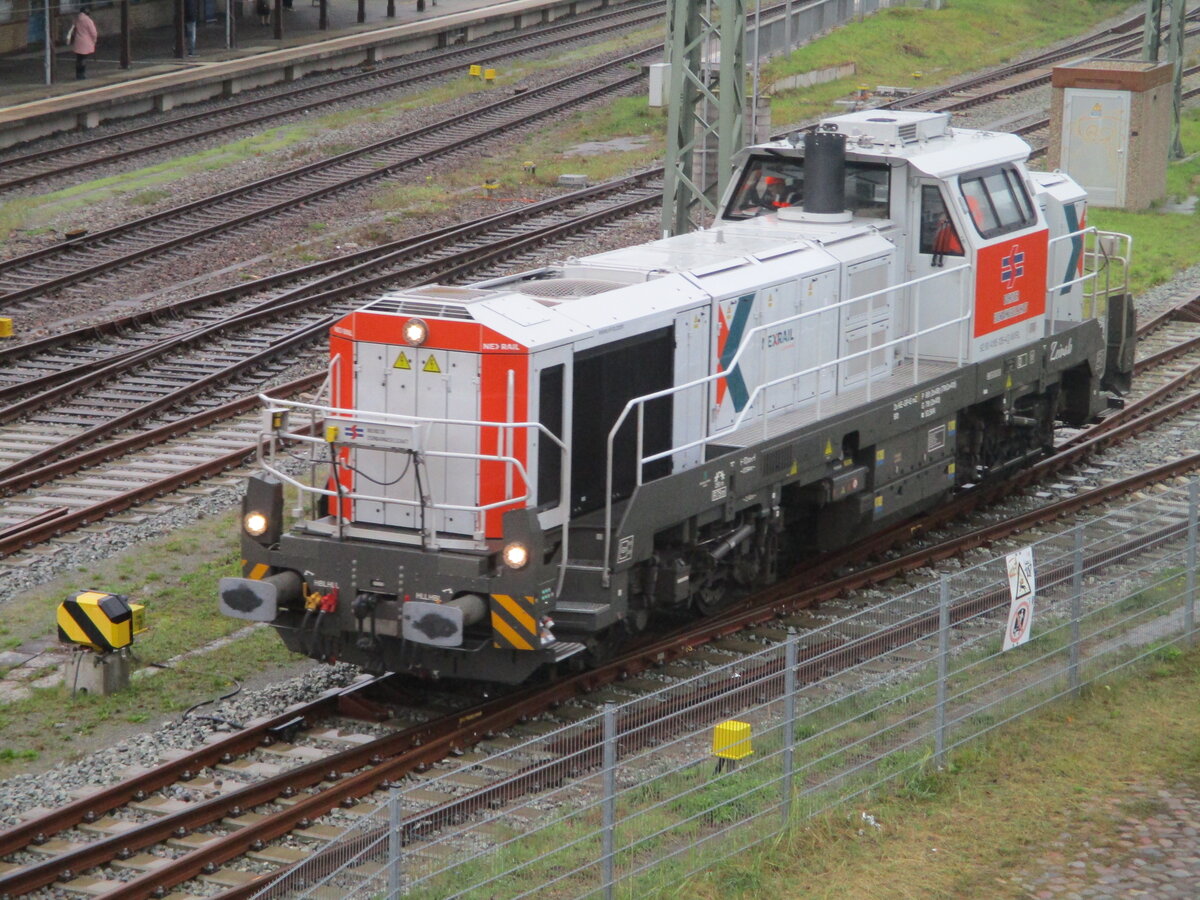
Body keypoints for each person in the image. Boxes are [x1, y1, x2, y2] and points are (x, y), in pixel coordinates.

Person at [70, 6, 97, 80]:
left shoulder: (77, 19)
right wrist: (94, 40)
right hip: (86, 42)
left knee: (78, 59)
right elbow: (93, 32)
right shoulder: (88, 20)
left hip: (78, 41)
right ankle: (82, 74)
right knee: (83, 59)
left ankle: (78, 74)